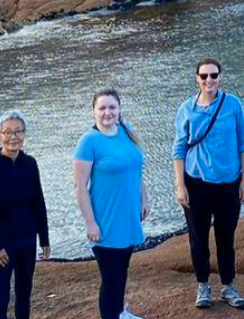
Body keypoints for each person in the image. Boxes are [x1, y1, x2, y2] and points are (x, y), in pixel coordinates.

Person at [171, 58, 244, 309]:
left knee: (225, 236)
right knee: (198, 238)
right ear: (196, 78)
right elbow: (178, 148)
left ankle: (228, 286)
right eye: (204, 76)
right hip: (196, 183)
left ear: (221, 77)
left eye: (213, 75)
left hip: (229, 182)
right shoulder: (186, 109)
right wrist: (180, 185)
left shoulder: (233, 105)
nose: (209, 80)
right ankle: (203, 285)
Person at [74, 89, 149, 319]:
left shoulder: (127, 131)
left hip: (127, 216)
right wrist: (90, 224)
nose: (108, 112)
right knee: (111, 278)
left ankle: (120, 312)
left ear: (119, 109)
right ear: (93, 111)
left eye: (112, 107)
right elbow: (79, 186)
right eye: (102, 108)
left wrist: (143, 200)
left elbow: (136, 170)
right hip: (105, 220)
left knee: (121, 271)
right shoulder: (89, 141)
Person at [0, 111, 52, 319]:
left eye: (18, 131)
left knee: (24, 293)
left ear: (24, 134)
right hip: (1, 245)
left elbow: (39, 202)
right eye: (7, 132)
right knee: (1, 297)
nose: (13, 137)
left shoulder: (30, 164)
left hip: (27, 240)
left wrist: (44, 238)